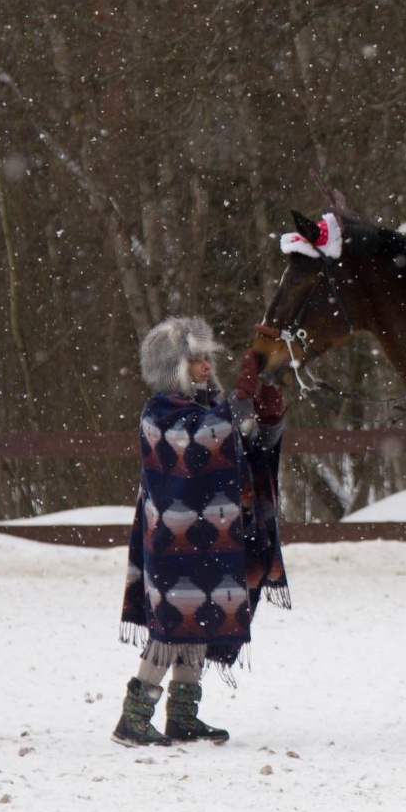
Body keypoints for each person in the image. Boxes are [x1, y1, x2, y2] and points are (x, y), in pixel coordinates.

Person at [112, 316, 290, 747]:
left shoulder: (212, 408)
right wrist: (240, 403)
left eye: (208, 358)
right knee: (171, 627)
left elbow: (242, 452)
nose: (206, 366)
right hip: (172, 544)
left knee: (199, 622)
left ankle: (183, 716)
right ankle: (133, 719)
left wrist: (267, 422)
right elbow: (196, 450)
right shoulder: (160, 413)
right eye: (195, 360)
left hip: (210, 542)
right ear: (173, 367)